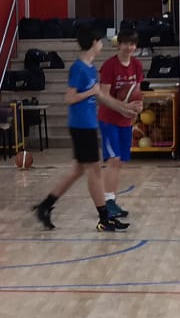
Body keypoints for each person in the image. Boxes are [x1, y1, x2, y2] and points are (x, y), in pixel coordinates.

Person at [32, 29, 131, 231]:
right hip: (81, 126)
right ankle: (104, 218)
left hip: (88, 124)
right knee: (95, 170)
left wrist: (124, 108)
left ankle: (45, 206)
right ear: (94, 42)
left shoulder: (91, 68)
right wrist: (90, 92)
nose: (102, 45)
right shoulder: (78, 68)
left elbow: (100, 96)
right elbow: (69, 98)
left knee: (78, 171)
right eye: (100, 41)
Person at [94, 27, 143, 229]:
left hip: (125, 121)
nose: (129, 47)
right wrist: (123, 108)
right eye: (125, 43)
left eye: (132, 44)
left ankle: (112, 200)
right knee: (112, 160)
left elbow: (136, 92)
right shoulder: (109, 66)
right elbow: (103, 97)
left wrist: (137, 108)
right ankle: (107, 203)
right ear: (119, 44)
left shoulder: (137, 65)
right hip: (108, 119)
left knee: (119, 162)